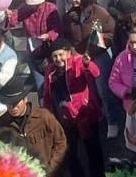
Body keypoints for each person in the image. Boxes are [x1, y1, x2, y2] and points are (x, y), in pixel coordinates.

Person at [40, 41, 104, 177]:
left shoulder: (79, 62)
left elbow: (95, 72)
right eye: (55, 56)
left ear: (68, 52)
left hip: (85, 114)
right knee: (69, 153)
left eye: (61, 55)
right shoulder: (50, 71)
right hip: (64, 119)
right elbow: (46, 94)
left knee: (93, 151)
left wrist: (88, 64)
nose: (58, 59)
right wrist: (47, 113)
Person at [0, 81, 68, 176]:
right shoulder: (1, 125)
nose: (12, 107)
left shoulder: (44, 117)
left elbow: (60, 142)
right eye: (8, 104)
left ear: (25, 99)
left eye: (15, 102)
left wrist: (50, 168)